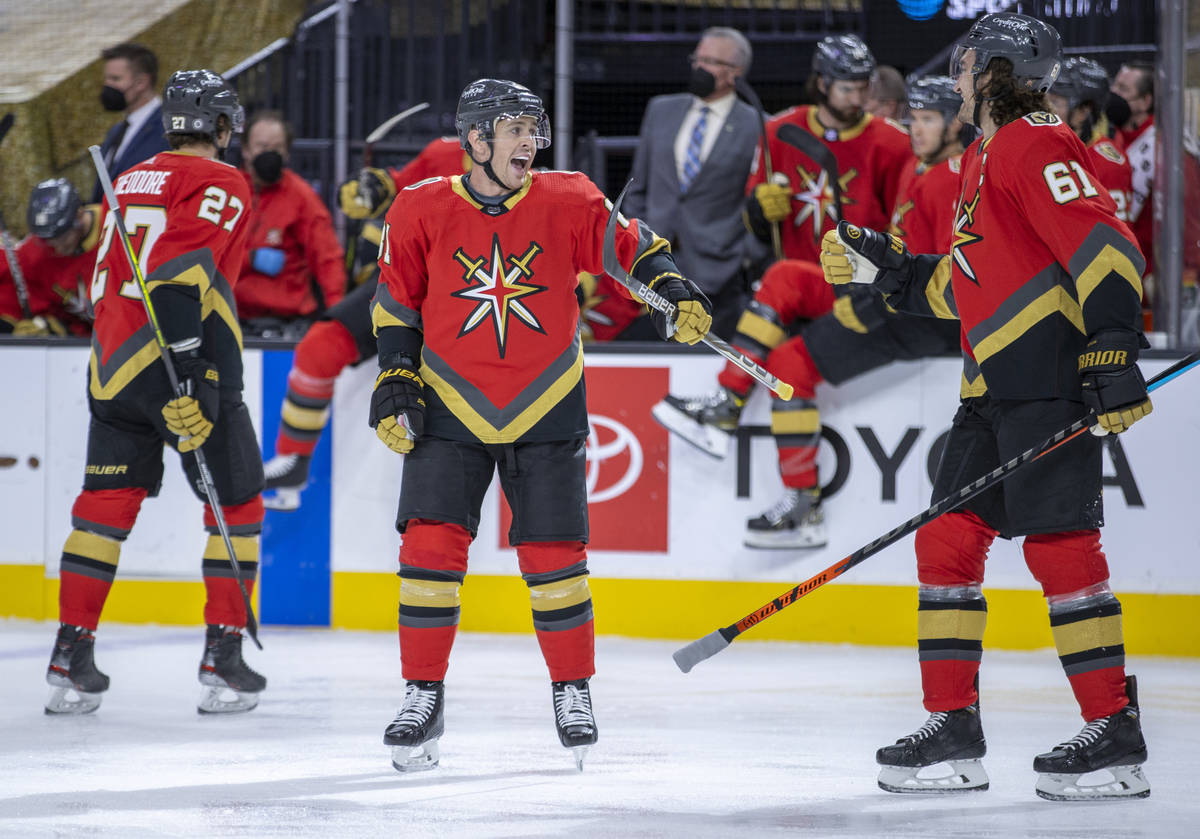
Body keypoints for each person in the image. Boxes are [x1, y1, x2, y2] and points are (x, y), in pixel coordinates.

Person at [820, 13, 1151, 801]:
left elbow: (1109, 249)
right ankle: (954, 729)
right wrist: (894, 270)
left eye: (966, 66)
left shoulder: (1036, 140)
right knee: (947, 541)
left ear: (996, 69)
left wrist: (1109, 348)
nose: (957, 80)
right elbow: (975, 280)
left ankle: (1114, 734)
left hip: (1045, 382)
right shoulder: (984, 153)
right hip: (989, 390)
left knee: (1061, 550)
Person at [370, 79, 712, 772]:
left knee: (555, 560)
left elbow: (632, 249)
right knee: (429, 555)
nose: (530, 141)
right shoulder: (418, 207)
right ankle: (421, 694)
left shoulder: (569, 196)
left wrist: (671, 287)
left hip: (546, 398)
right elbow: (394, 303)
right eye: (515, 128)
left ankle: (572, 688)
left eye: (534, 128)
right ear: (475, 139)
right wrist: (396, 375)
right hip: (449, 403)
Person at [45, 70, 267, 717]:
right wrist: (192, 372)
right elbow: (176, 279)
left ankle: (69, 654)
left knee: (103, 508)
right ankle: (223, 656)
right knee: (240, 499)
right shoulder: (222, 179)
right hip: (180, 360)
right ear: (221, 127)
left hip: (111, 364)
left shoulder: (131, 176)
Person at [654, 33, 912, 547]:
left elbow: (901, 234)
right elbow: (753, 224)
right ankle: (800, 498)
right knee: (787, 359)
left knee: (782, 278)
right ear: (821, 83)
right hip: (801, 290)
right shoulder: (780, 130)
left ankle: (726, 401)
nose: (856, 97)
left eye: (863, 87)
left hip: (862, 285)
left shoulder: (891, 142)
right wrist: (757, 209)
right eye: (845, 87)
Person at [261, 135, 473, 510]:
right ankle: (293, 460)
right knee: (320, 345)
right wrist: (370, 189)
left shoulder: (533, 179)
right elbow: (395, 186)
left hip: (477, 296)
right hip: (411, 278)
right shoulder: (445, 153)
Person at [624, 27, 761, 338]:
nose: (699, 67)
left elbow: (754, 201)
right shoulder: (660, 110)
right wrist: (638, 239)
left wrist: (742, 256)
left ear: (734, 73)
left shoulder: (756, 125)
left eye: (710, 61)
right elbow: (639, 185)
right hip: (652, 266)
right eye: (697, 58)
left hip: (718, 274)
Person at [234, 110, 346, 336]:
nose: (269, 154)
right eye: (262, 146)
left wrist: (338, 319)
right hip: (232, 320)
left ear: (286, 153)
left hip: (287, 325)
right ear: (246, 150)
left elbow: (327, 258)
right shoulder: (228, 191)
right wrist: (250, 259)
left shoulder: (301, 196)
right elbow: (207, 256)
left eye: (277, 148)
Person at [1, 179, 98, 336]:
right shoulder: (40, 249)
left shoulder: (114, 229)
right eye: (48, 242)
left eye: (62, 239)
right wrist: (53, 326)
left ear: (79, 216)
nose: (57, 248)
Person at [1047, 57, 1133, 223]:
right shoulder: (1050, 149)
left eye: (1055, 103)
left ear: (1082, 111)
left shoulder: (1108, 165)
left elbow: (1116, 239)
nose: (1045, 110)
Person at [92, 43, 169, 203]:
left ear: (141, 82)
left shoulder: (168, 127)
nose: (107, 85)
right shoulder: (116, 131)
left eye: (115, 79)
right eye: (106, 78)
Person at [1110, 61, 1155, 292]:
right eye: (1114, 87)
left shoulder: (1157, 144)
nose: (1114, 95)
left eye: (1123, 90)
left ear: (1145, 101)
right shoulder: (1112, 137)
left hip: (1149, 274)